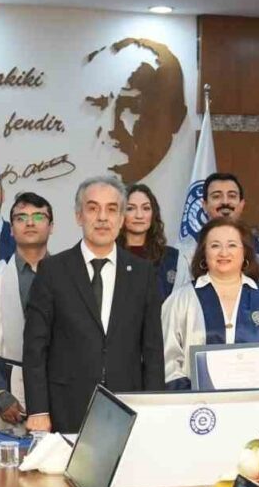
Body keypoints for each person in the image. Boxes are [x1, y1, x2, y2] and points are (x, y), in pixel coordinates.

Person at [23, 175, 164, 433]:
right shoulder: (53, 271)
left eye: (111, 209)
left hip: (127, 406)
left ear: (121, 219)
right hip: (65, 406)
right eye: (92, 208)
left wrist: (154, 407)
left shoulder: (143, 273)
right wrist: (38, 410)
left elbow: (153, 350)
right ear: (79, 216)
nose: (102, 218)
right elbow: (35, 348)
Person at [160, 217, 259, 389]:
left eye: (232, 245)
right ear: (204, 253)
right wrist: (192, 397)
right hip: (197, 403)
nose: (224, 253)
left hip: (257, 402)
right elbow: (168, 361)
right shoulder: (181, 300)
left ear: (244, 252)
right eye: (215, 246)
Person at [0, 193, 54, 433]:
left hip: (59, 386)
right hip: (11, 389)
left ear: (51, 226)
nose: (30, 223)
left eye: (38, 216)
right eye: (21, 218)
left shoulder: (69, 275)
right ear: (11, 229)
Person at [177, 172, 259, 278]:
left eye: (232, 196)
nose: (225, 202)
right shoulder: (186, 250)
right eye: (216, 196)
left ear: (242, 204)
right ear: (204, 205)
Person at [120, 183, 187, 302]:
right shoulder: (108, 254)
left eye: (146, 208)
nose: (139, 215)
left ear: (153, 213)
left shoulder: (173, 258)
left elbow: (182, 303)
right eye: (130, 208)